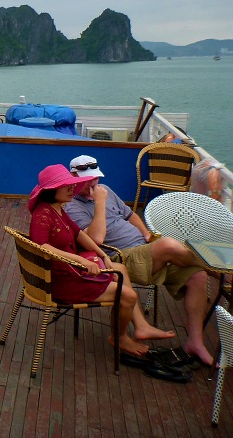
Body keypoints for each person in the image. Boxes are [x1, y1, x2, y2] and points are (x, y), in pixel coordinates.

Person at [64, 154, 213, 365]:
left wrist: (146, 234)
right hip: (119, 256)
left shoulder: (105, 190)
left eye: (95, 177)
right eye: (87, 178)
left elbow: (130, 215)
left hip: (145, 252)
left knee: (198, 276)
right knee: (168, 245)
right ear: (73, 176)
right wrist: (99, 203)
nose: (93, 182)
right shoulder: (72, 206)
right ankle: (216, 267)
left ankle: (195, 342)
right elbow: (95, 239)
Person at [28, 164, 171, 357]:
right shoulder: (43, 213)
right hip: (60, 281)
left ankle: (139, 326)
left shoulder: (57, 209)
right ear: (52, 189)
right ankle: (118, 337)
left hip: (68, 272)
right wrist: (82, 261)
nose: (72, 189)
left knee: (119, 268)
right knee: (129, 296)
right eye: (67, 185)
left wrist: (103, 255)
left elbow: (80, 235)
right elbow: (41, 246)